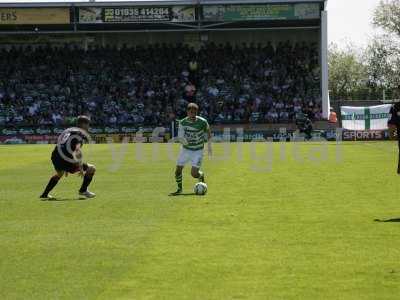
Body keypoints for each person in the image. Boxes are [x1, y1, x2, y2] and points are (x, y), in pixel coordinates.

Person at [40, 115, 96, 199]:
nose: (88, 126)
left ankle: (45, 194)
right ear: (83, 125)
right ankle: (83, 190)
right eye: (88, 124)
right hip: (65, 158)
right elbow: (77, 151)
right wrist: (80, 167)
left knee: (59, 173)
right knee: (91, 168)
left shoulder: (69, 130)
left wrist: (65, 165)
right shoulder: (79, 134)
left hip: (55, 155)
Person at [170, 103, 212, 196]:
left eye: (195, 112)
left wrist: (209, 146)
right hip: (185, 150)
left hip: (198, 150)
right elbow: (180, 137)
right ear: (187, 112)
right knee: (177, 170)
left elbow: (208, 132)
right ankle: (179, 189)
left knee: (194, 174)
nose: (193, 114)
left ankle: (201, 176)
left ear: (197, 112)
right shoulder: (183, 122)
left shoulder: (203, 122)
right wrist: (184, 141)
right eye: (191, 112)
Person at [388, 102, 400, 174]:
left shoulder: (395, 106)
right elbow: (391, 124)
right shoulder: (395, 107)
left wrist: (391, 135)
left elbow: (391, 124)